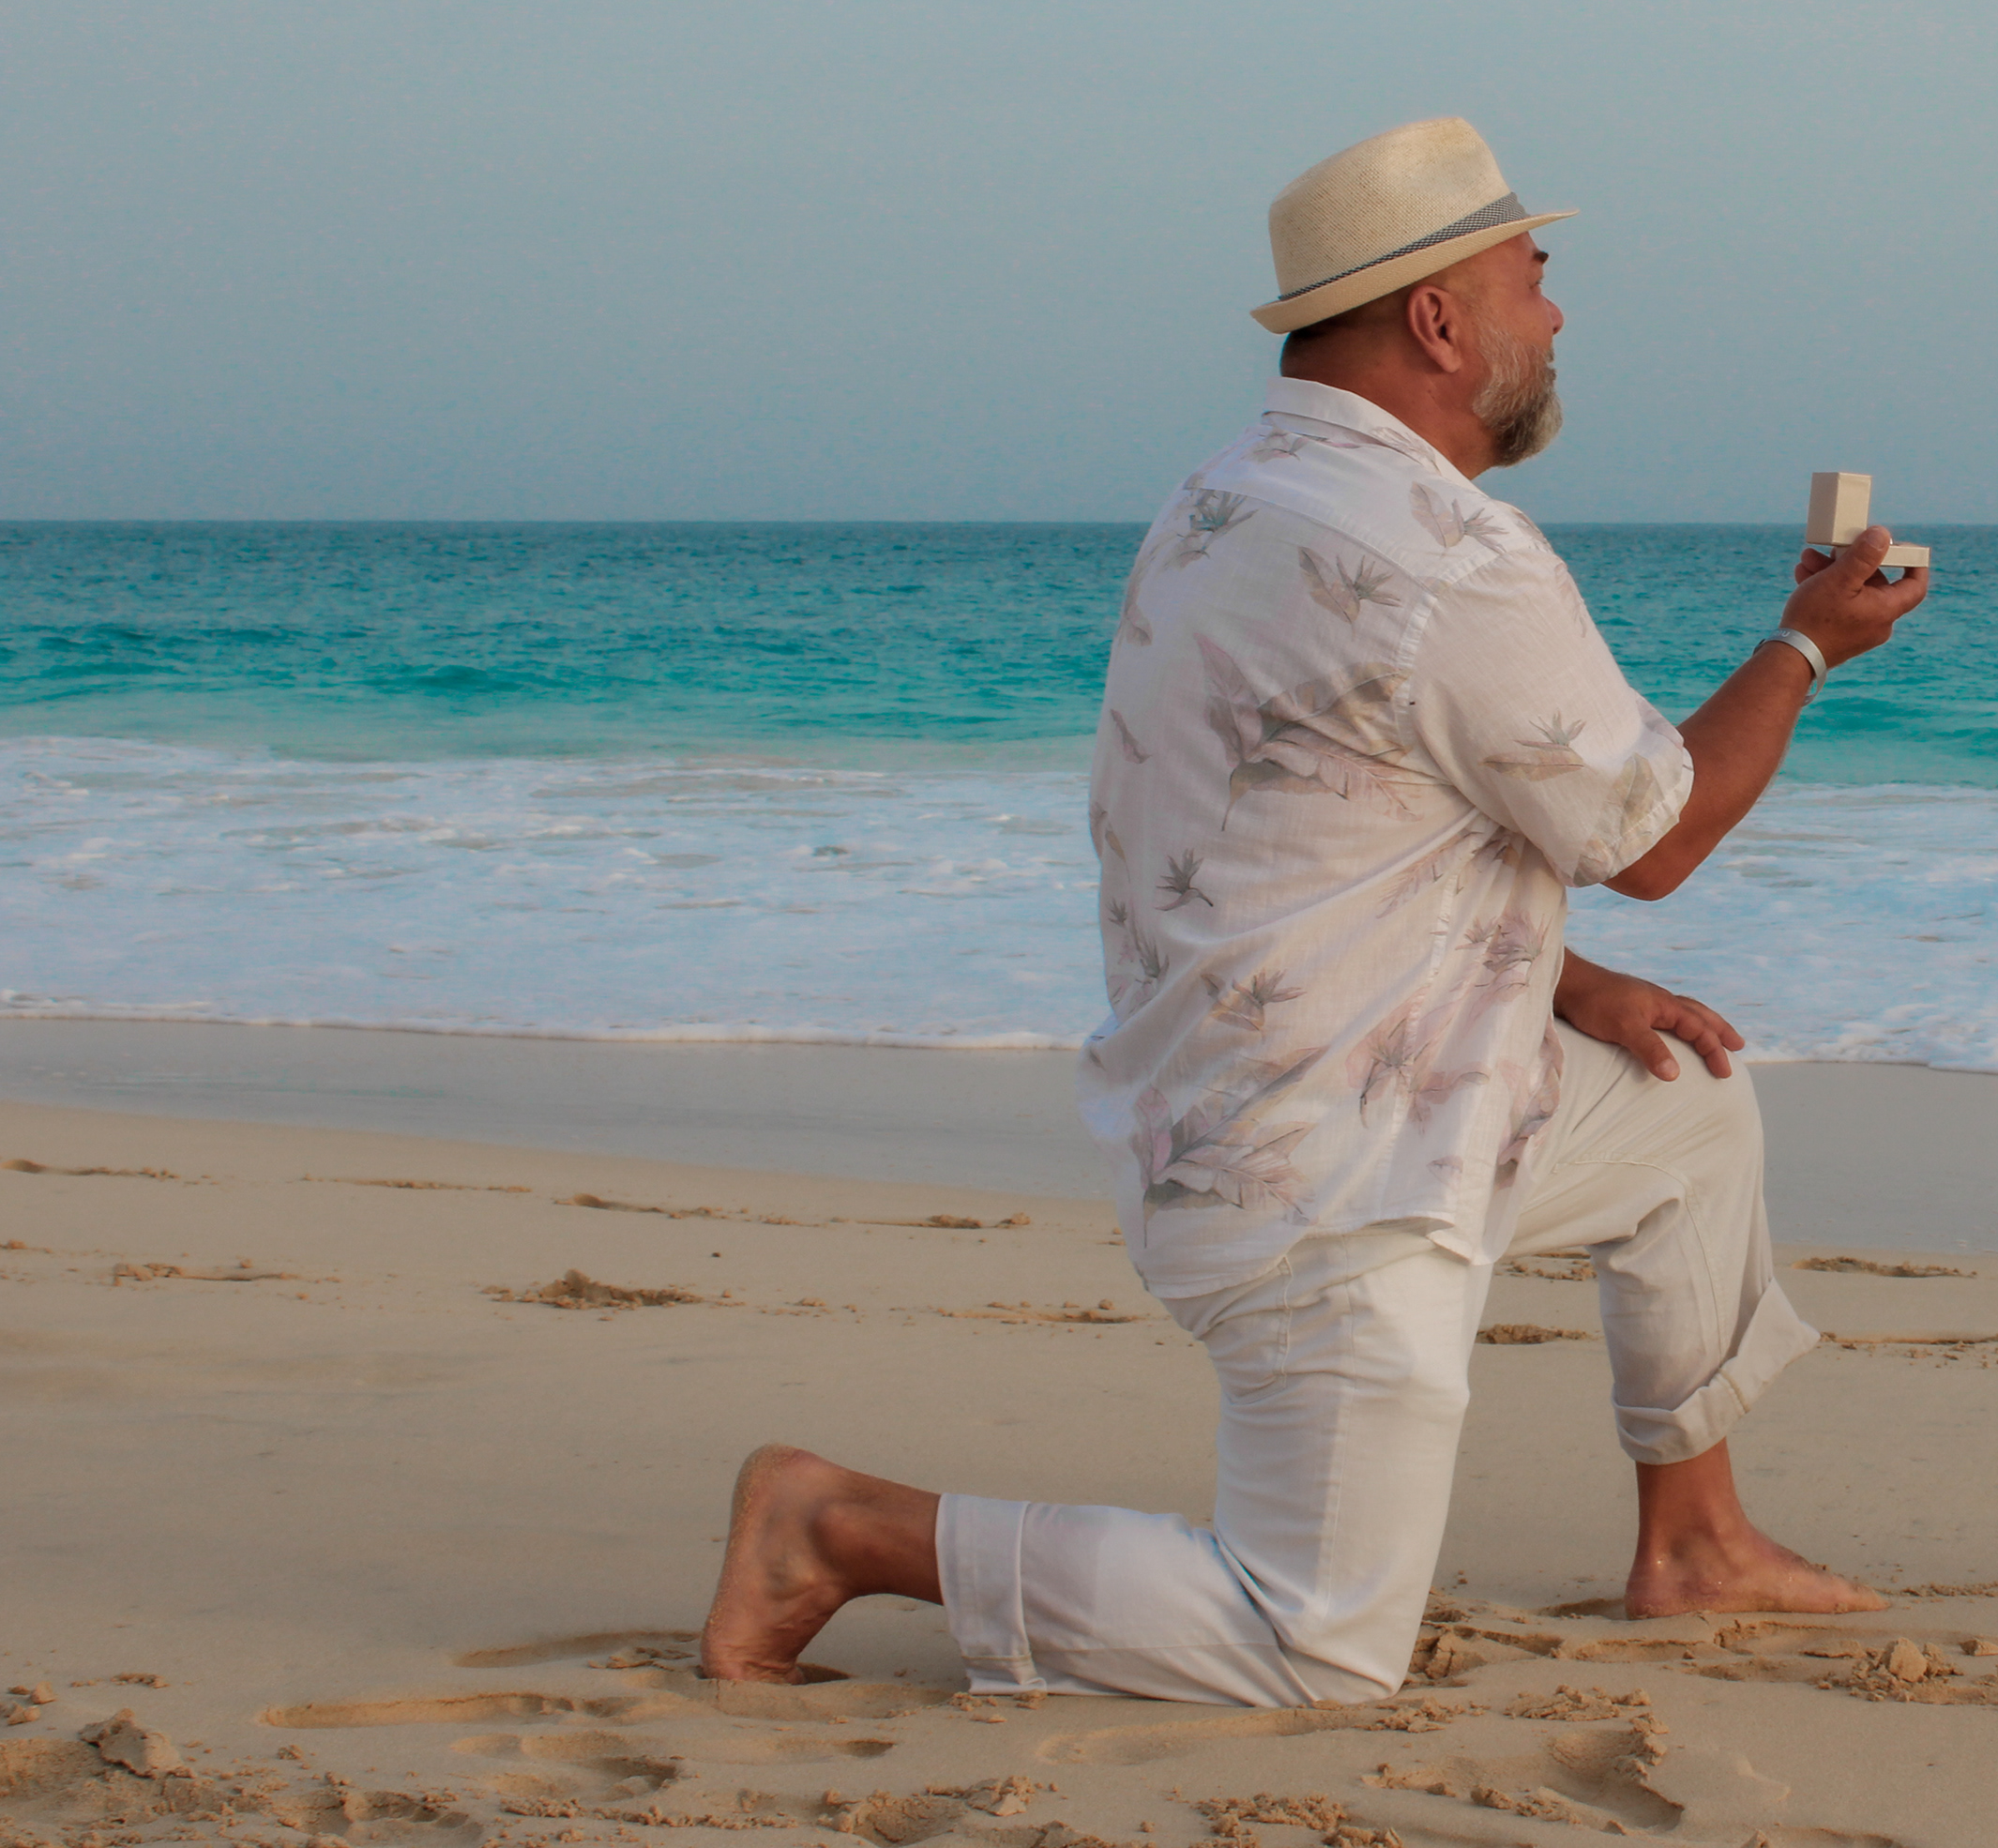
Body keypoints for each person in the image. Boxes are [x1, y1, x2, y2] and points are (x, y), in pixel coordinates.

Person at [699, 116, 1925, 1701]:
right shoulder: (1446, 553)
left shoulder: (1225, 498)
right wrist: (1809, 646)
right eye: (1535, 280)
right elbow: (1656, 833)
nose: (1557, 317)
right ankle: (834, 1529)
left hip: (1252, 1105)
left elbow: (1325, 838)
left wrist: (1567, 983)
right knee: (1317, 1644)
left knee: (1685, 1108)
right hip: (1339, 1173)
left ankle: (1697, 1546)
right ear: (1440, 319)